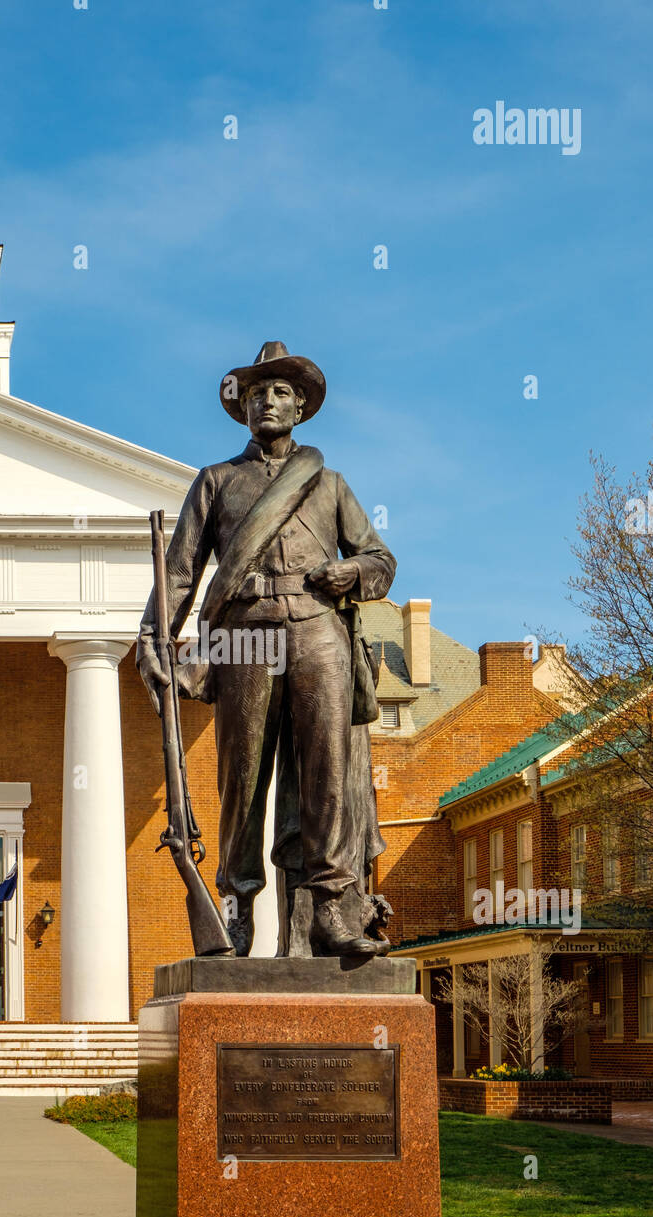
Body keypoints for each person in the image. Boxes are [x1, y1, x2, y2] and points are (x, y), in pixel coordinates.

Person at [137, 342, 396, 957]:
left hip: (317, 629)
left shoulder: (329, 484)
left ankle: (334, 913)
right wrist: (154, 637)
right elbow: (181, 572)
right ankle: (235, 907)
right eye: (256, 395)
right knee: (243, 777)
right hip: (244, 633)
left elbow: (381, 560)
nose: (267, 402)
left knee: (326, 774)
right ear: (243, 409)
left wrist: (351, 574)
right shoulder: (217, 481)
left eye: (280, 393)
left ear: (301, 408)